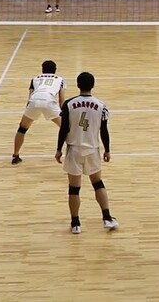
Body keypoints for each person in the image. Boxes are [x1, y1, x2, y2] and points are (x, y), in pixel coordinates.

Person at [55, 72, 118, 234]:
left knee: (74, 188)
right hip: (92, 149)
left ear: (77, 85)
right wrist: (108, 150)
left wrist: (58, 149)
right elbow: (104, 131)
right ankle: (107, 218)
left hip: (73, 149)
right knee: (98, 183)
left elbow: (63, 129)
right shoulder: (101, 105)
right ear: (93, 85)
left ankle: (75, 223)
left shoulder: (68, 104)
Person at [12, 60, 66, 165]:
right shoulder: (60, 79)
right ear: (55, 70)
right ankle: (72, 156)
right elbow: (62, 100)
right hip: (49, 101)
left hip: (34, 101)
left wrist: (28, 112)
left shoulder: (35, 79)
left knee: (22, 129)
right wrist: (64, 113)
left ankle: (15, 155)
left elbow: (29, 99)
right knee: (67, 129)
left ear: (42, 70)